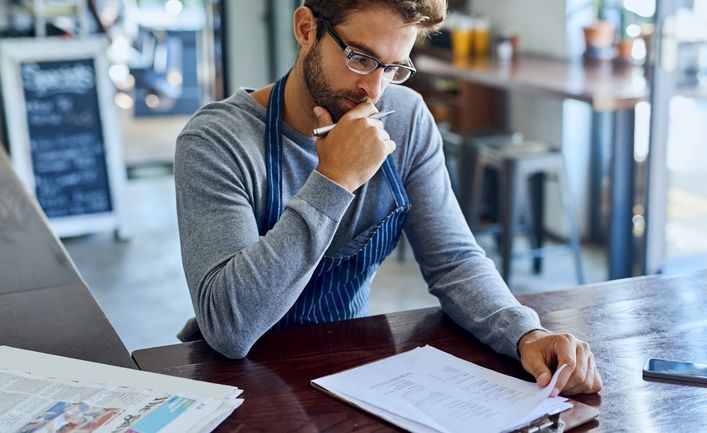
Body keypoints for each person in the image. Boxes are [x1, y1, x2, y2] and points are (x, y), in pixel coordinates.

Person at [174, 0, 602, 396]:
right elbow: (229, 327)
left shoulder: (407, 119)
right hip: (241, 383)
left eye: (395, 68)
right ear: (306, 28)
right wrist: (335, 179)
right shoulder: (216, 141)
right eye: (360, 58)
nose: (375, 90)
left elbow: (454, 261)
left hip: (352, 370)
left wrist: (525, 333)